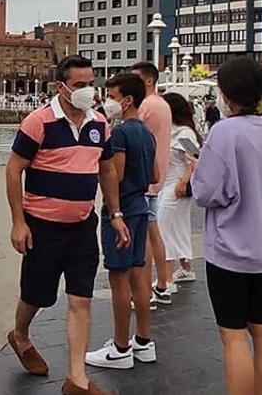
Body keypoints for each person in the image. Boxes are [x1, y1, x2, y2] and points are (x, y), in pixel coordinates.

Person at [5, 55, 117, 395]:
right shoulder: (38, 122)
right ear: (62, 87)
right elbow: (13, 169)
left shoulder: (100, 124)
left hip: (83, 226)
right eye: (80, 86)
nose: (88, 91)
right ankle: (20, 335)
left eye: (91, 84)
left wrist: (117, 213)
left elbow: (107, 169)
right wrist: (18, 222)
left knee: (80, 300)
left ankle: (77, 379)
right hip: (42, 227)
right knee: (35, 296)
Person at [190, 57, 262, 395]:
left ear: (226, 92)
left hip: (229, 249)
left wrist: (195, 171)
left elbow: (206, 193)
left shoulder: (223, 132)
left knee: (233, 336)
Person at [84, 73, 157, 370]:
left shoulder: (121, 133)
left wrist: (113, 212)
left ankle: (120, 346)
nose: (106, 101)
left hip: (123, 209)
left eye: (112, 95)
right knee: (139, 276)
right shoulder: (147, 134)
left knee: (118, 279)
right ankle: (143, 341)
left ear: (127, 100)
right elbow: (154, 176)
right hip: (141, 204)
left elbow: (116, 174)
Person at [129, 62, 172, 307]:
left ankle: (142, 292)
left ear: (147, 81)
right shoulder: (162, 104)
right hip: (157, 179)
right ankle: (162, 283)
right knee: (154, 232)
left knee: (142, 236)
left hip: (143, 180)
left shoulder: (146, 106)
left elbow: (133, 134)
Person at [158, 92, 201, 287]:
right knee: (176, 226)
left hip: (177, 183)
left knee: (163, 227)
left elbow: (195, 158)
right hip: (166, 183)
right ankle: (185, 267)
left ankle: (165, 279)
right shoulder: (169, 130)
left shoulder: (184, 132)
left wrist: (184, 181)